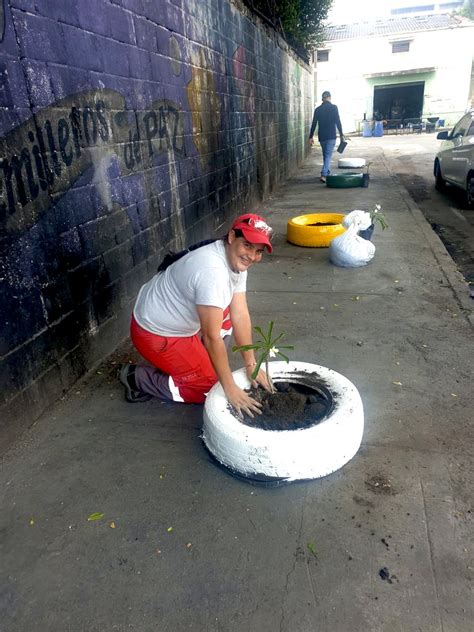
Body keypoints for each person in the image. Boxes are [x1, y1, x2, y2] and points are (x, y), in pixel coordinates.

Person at [119, 214, 273, 417]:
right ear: (231, 237)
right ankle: (137, 378)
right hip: (157, 334)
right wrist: (229, 387)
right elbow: (211, 338)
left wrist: (251, 363)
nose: (252, 256)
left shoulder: (235, 261)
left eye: (258, 251)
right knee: (210, 389)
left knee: (224, 312)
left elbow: (240, 313)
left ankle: (193, 361)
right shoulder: (213, 272)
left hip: (172, 314)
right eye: (247, 245)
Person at [309, 91, 344, 183]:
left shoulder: (318, 110)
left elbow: (314, 123)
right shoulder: (334, 108)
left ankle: (327, 172)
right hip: (331, 136)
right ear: (329, 97)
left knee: (326, 155)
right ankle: (324, 174)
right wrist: (341, 134)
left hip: (322, 136)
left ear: (322, 98)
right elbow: (338, 121)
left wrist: (311, 136)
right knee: (328, 155)